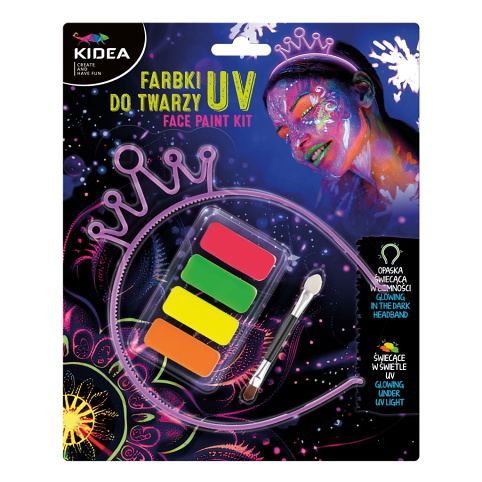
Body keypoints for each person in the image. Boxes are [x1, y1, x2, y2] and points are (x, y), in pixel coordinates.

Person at [264, 41, 419, 222]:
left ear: (362, 91)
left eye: (306, 111)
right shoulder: (337, 206)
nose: (297, 143)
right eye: (286, 135)